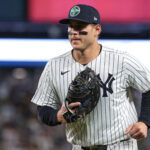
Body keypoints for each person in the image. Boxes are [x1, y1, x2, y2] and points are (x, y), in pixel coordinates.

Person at [31, 4, 150, 150]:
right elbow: (43, 108)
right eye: (71, 27)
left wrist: (145, 122)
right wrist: (58, 116)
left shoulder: (121, 60)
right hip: (80, 146)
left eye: (80, 26)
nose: (74, 32)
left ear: (97, 30)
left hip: (119, 145)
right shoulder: (54, 66)